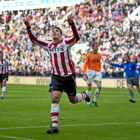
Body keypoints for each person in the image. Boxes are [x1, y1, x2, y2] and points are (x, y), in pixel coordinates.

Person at [24, 16, 90, 134]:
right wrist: (28, 28)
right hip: (56, 76)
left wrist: (72, 25)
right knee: (55, 98)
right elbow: (34, 39)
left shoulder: (66, 42)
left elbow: (77, 37)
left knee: (73, 100)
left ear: (61, 35)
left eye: (57, 31)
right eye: (53, 31)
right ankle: (55, 126)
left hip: (69, 76)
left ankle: (83, 96)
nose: (54, 32)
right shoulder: (48, 44)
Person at [83, 42, 102, 107]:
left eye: (97, 46)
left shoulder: (99, 55)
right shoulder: (88, 55)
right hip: (90, 71)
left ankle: (94, 100)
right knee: (89, 87)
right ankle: (88, 102)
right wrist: (84, 73)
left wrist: (100, 70)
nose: (97, 47)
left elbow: (99, 63)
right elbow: (85, 64)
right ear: (93, 47)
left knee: (99, 86)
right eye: (96, 46)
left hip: (97, 71)